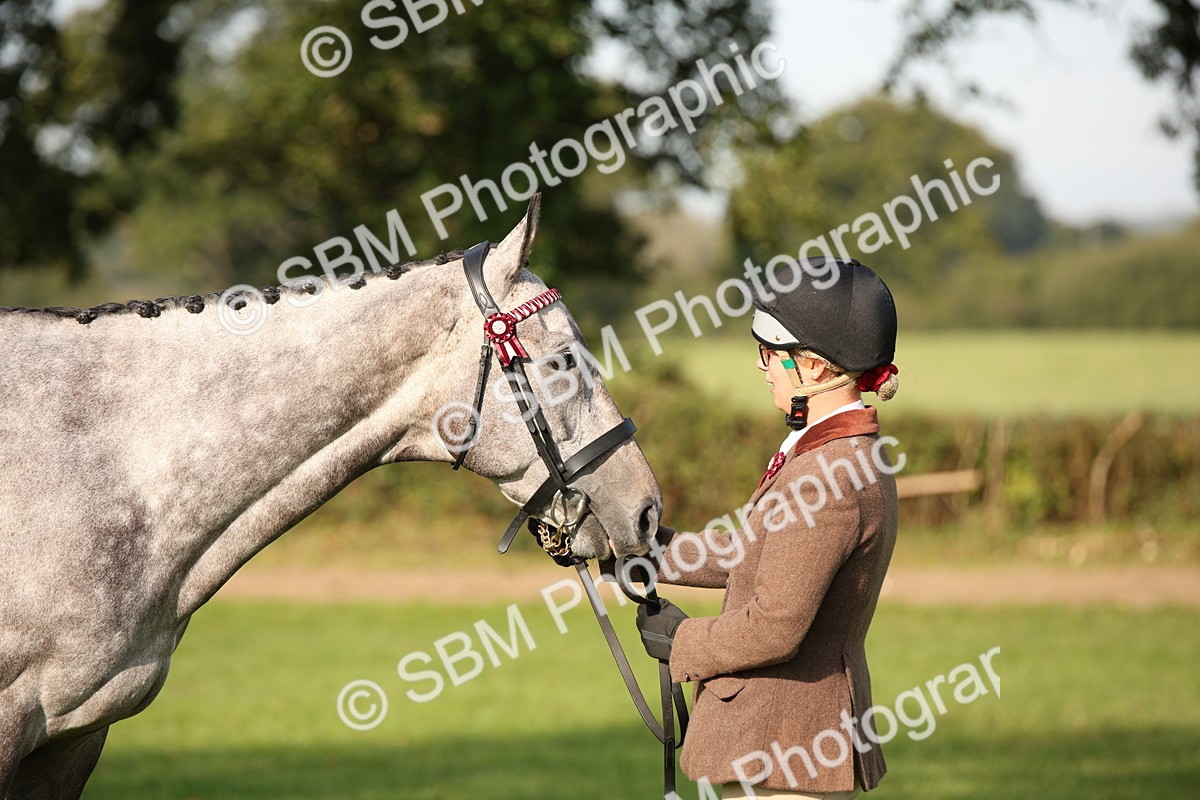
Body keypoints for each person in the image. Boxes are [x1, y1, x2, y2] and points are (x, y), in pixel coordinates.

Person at [629, 257, 901, 799]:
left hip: (786, 753)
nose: (763, 367)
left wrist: (681, 641)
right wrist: (647, 550)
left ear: (816, 368)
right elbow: (756, 553)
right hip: (783, 745)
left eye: (771, 354)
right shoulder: (835, 454)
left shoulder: (827, 476)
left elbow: (774, 626)